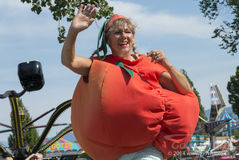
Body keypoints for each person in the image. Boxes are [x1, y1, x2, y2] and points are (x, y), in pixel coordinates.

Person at [61, 4, 199, 160]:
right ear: (108, 39)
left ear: (133, 37)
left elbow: (185, 89)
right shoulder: (99, 65)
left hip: (147, 149)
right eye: (117, 33)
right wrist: (73, 31)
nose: (123, 36)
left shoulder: (148, 62)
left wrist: (167, 64)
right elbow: (69, 61)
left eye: (128, 32)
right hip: (113, 153)